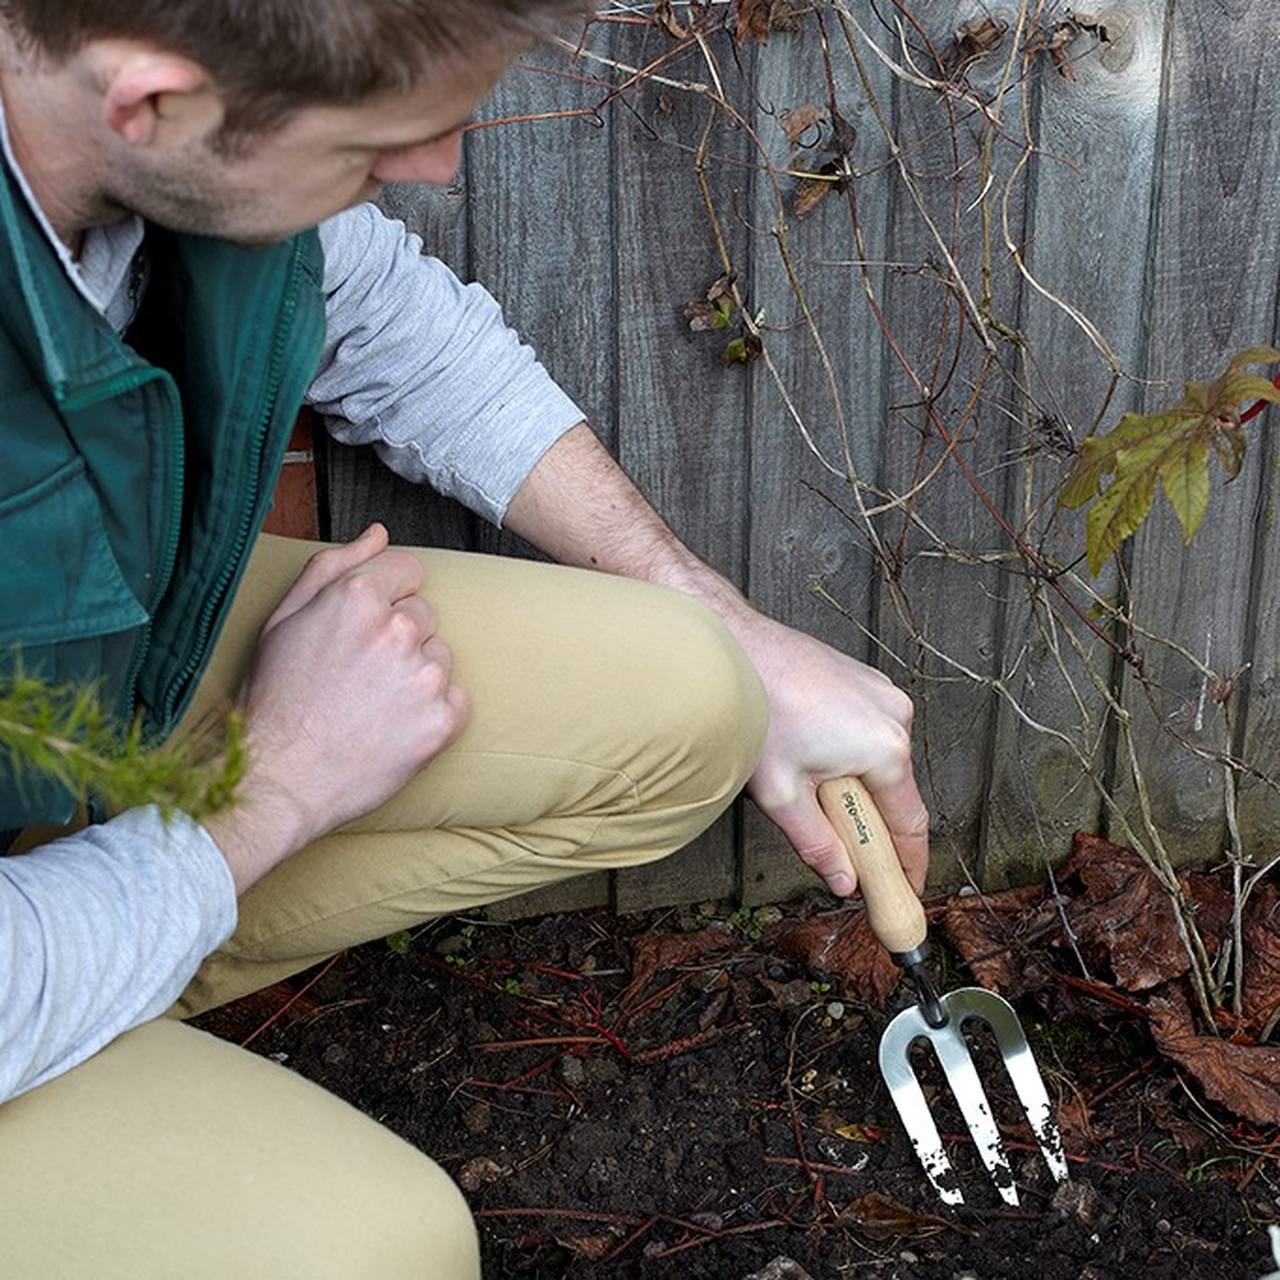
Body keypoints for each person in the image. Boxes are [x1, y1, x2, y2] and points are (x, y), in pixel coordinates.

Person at [0, 1, 930, 1274]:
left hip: (73, 711)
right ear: (150, 100)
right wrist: (273, 787)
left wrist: (727, 619)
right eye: (371, 141)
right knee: (379, 1247)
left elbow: (375, 309)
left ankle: (101, 988)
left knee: (687, 687)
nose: (436, 165)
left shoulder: (166, 143)